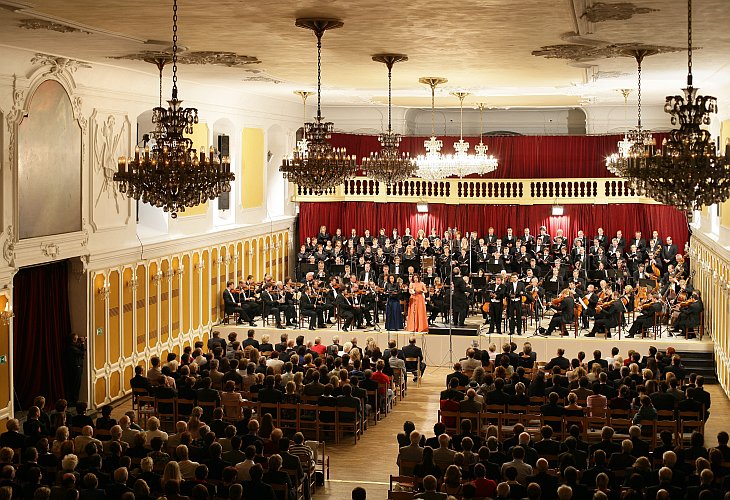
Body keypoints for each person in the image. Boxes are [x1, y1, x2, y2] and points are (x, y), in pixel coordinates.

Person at [65, 334, 86, 405]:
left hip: (78, 367)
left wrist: (81, 343)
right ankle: (73, 400)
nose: (78, 340)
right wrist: (82, 343)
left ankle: (75, 399)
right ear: (73, 340)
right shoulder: (71, 348)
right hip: (75, 368)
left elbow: (82, 352)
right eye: (76, 339)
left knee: (77, 384)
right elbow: (82, 352)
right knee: (75, 385)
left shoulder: (75, 346)